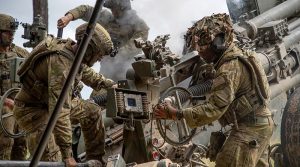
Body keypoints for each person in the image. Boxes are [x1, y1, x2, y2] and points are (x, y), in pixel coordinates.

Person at [153, 13, 274, 167]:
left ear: (219, 42)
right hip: (259, 126)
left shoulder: (229, 68)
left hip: (249, 131)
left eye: (203, 46)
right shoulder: (239, 54)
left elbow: (214, 109)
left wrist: (176, 113)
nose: (200, 51)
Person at [13, 23, 116, 166]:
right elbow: (60, 112)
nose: (99, 59)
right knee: (51, 160)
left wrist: (109, 85)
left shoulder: (73, 53)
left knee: (92, 111)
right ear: (89, 48)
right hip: (33, 111)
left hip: (50, 105)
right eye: (99, 54)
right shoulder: (61, 65)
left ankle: (96, 161)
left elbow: (85, 72)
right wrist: (68, 155)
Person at [57, 0, 149, 83]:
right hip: (106, 71)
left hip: (126, 73)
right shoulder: (107, 17)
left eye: (115, 8)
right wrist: (69, 17)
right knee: (97, 97)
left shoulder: (140, 26)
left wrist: (111, 54)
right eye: (111, 8)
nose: (113, 12)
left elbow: (133, 48)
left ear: (124, 8)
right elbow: (86, 10)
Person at [0, 13, 29, 160]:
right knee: (5, 142)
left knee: (22, 143)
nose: (12, 35)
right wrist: (5, 101)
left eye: (13, 32)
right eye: (8, 32)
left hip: (19, 107)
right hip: (4, 109)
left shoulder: (19, 52)